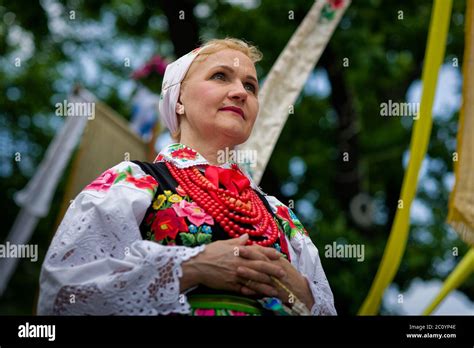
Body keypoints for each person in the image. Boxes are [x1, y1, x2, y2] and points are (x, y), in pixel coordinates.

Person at [37, 37, 336, 316]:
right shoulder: (133, 181)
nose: (240, 93)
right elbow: (63, 294)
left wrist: (303, 295)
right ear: (178, 98)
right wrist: (193, 267)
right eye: (220, 76)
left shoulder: (279, 214)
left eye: (251, 86)